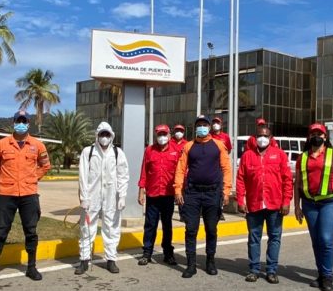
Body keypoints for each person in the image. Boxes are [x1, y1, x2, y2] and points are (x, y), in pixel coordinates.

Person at [0, 110, 51, 284]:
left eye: (24, 120)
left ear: (29, 123)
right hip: (7, 194)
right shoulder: (2, 144)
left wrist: (33, 178)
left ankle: (31, 267)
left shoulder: (37, 145)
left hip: (29, 194)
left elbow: (45, 165)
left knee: (31, 231)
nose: (21, 123)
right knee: (0, 231)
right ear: (13, 122)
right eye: (18, 120)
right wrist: (3, 178)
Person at [174, 114, 232, 278]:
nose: (202, 127)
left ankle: (210, 262)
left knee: (211, 229)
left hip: (212, 193)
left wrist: (226, 191)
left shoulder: (219, 145)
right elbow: (180, 169)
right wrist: (178, 190)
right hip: (192, 193)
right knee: (190, 229)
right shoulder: (188, 146)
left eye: (204, 124)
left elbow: (226, 169)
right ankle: (191, 264)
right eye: (198, 124)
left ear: (208, 127)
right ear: (195, 128)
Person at [294, 123, 333, 291]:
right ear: (309, 137)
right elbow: (298, 184)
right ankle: (321, 274)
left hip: (329, 203)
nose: (316, 136)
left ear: (325, 137)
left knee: (325, 239)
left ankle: (327, 276)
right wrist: (296, 206)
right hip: (309, 204)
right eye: (313, 133)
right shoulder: (302, 157)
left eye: (320, 133)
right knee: (316, 241)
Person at [236, 125, 293, 283]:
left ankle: (271, 270)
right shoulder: (247, 156)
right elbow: (240, 179)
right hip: (254, 205)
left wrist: (286, 201)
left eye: (266, 136)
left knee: (274, 238)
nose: (263, 138)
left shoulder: (280, 155)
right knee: (254, 238)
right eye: (260, 135)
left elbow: (287, 180)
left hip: (275, 205)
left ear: (271, 137)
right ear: (255, 137)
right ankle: (254, 269)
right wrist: (241, 200)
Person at [76, 122, 129, 275]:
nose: (104, 138)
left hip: (112, 197)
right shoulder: (88, 152)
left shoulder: (118, 153)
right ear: (97, 136)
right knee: (86, 228)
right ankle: (84, 260)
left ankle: (111, 260)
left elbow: (123, 175)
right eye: (102, 135)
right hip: (91, 197)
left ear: (111, 135)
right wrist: (84, 197)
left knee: (112, 228)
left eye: (107, 134)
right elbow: (83, 176)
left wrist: (122, 196)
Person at [137, 124, 181, 266]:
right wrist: (141, 192)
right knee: (150, 225)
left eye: (164, 134)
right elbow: (144, 171)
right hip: (153, 194)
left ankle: (168, 253)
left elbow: (180, 173)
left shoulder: (176, 151)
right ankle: (147, 253)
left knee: (167, 225)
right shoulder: (149, 151)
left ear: (169, 135)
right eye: (159, 134)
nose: (162, 137)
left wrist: (179, 191)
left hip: (168, 195)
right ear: (156, 136)